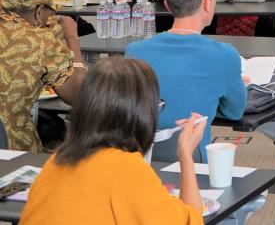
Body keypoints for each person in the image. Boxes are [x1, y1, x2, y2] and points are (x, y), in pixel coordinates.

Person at [21, 56, 206, 224]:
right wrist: (186, 154)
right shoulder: (125, 168)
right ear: (140, 112)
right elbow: (192, 221)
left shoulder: (56, 160)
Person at [126, 0, 247, 160]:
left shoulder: (134, 51)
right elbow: (234, 111)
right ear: (208, 2)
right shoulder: (224, 55)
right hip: (192, 166)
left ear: (166, 5)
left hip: (138, 163)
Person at [0, 0, 86, 151]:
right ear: (39, 11)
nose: (53, 13)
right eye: (51, 7)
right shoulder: (41, 41)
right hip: (11, 146)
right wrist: (72, 39)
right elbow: (77, 95)